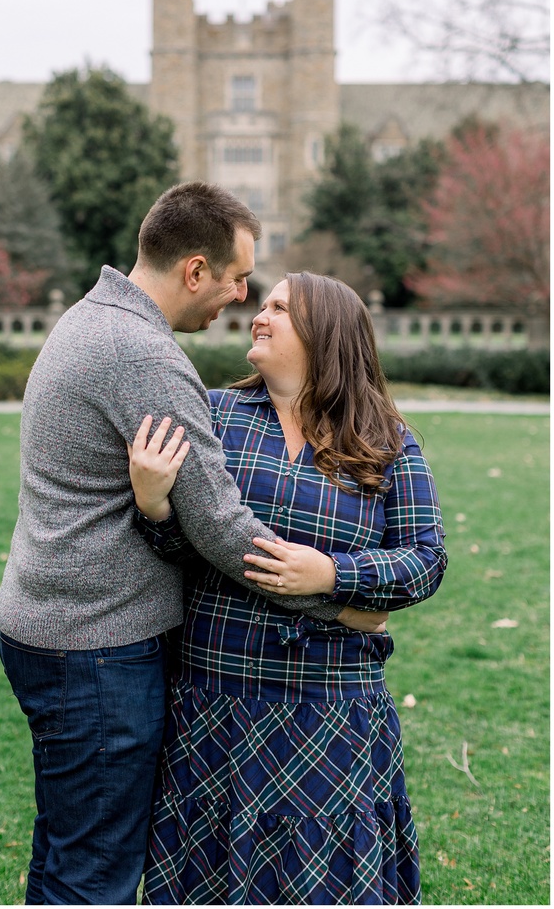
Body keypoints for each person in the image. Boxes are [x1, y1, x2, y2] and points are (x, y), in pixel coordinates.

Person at [0, 182, 382, 906]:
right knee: (95, 876)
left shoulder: (95, 318)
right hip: (96, 648)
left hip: (53, 626)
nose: (241, 297)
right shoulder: (141, 355)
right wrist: (336, 597)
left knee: (67, 850)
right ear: (196, 270)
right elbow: (220, 526)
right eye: (238, 279)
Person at [128, 271, 448, 906]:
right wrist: (153, 505)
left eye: (279, 308)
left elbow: (427, 560)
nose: (258, 314)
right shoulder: (215, 416)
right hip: (217, 699)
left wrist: (333, 575)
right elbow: (180, 551)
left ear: (324, 333)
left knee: (324, 876)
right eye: (262, 303)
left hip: (332, 707)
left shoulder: (386, 441)